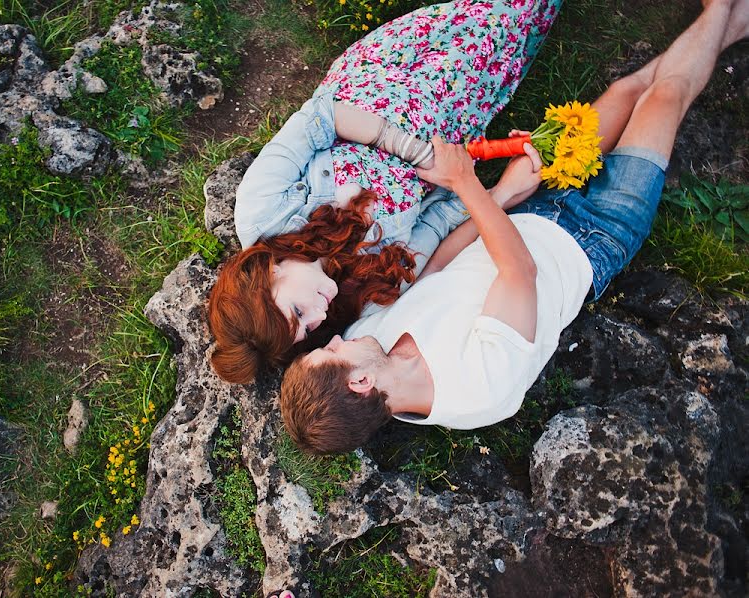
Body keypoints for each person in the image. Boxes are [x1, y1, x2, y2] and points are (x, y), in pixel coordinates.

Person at [280, 0, 749, 454]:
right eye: (332, 351)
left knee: (628, 92)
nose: (335, 337)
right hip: (594, 235)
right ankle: (722, 12)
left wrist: (505, 194)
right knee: (665, 96)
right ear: (361, 383)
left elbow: (438, 264)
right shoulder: (477, 390)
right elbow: (518, 272)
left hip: (523, 210)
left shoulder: (374, 338)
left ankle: (727, 17)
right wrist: (466, 184)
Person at [208, 0, 563, 384]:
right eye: (307, 331)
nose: (318, 318)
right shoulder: (359, 299)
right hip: (454, 113)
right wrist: (499, 188)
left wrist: (416, 151)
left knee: (498, 14)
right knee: (523, 28)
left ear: (268, 274)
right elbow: (438, 221)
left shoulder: (262, 210)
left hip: (383, 71)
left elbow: (321, 116)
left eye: (298, 311)